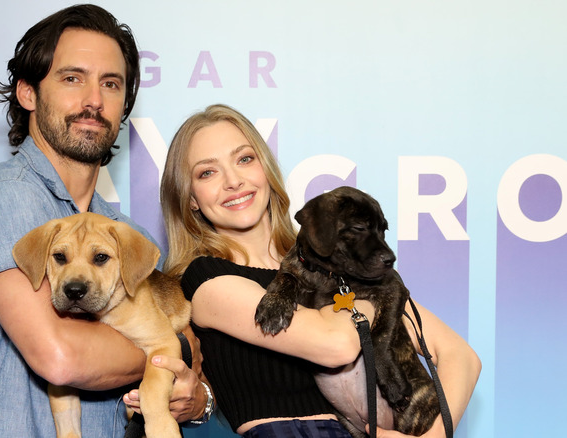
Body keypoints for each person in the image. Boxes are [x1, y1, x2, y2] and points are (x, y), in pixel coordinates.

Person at [0, 5, 208, 437]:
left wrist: (197, 398)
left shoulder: (122, 231)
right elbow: (61, 356)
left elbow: (184, 381)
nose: (93, 100)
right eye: (72, 78)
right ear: (27, 92)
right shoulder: (7, 200)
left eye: (111, 83)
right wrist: (170, 347)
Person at [158, 104, 482, 437]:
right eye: (207, 172)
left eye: (244, 159)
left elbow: (462, 356)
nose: (233, 181)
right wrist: (379, 290)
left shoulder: (332, 265)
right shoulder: (206, 280)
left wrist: (433, 436)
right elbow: (336, 344)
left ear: (265, 169)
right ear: (191, 198)